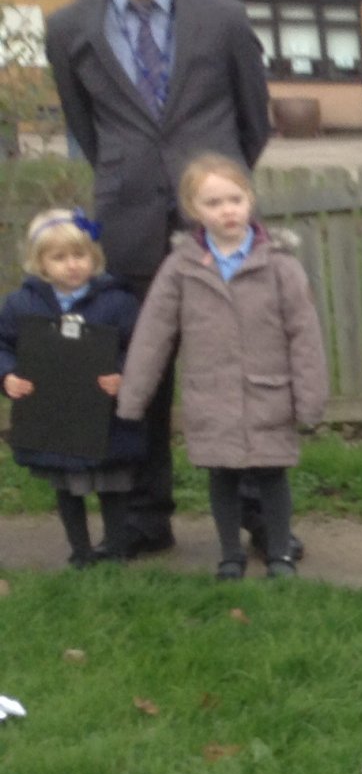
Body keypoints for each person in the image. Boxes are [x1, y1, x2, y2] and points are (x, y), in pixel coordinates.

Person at [45, 0, 272, 557]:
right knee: (142, 369)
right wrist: (129, 179)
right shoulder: (69, 29)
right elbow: (85, 128)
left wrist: (217, 186)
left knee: (237, 368)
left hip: (218, 227)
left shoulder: (223, 16)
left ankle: (259, 514)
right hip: (129, 222)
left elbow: (254, 119)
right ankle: (147, 515)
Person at [117, 154, 325, 580]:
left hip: (267, 391)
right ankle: (229, 553)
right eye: (213, 203)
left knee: (271, 475)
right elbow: (153, 334)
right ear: (194, 210)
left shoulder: (279, 265)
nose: (227, 210)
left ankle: (280, 553)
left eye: (235, 198)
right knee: (223, 476)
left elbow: (304, 337)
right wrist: (133, 397)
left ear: (249, 200)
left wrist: (310, 400)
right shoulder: (181, 268)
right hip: (210, 394)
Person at [1, 209, 142, 567]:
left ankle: (115, 547)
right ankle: (80, 551)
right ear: (40, 262)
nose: (72, 265)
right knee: (66, 484)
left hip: (105, 415)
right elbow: (3, 345)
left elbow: (140, 346)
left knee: (112, 482)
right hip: (55, 417)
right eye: (59, 257)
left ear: (93, 257)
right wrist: (8, 376)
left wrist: (124, 375)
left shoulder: (117, 302)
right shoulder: (22, 305)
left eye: (79, 255)